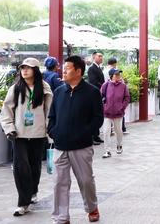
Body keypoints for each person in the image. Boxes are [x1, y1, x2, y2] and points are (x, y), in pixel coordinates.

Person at [48, 55, 104, 224]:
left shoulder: (92, 92)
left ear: (78, 71)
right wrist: (53, 131)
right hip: (60, 145)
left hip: (81, 146)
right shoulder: (59, 92)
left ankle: (92, 207)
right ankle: (61, 217)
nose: (63, 71)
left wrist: (85, 133)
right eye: (63, 68)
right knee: (59, 182)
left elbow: (98, 118)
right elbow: (52, 116)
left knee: (86, 180)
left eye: (67, 68)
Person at [0, 58, 53, 217]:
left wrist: (50, 132)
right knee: (21, 167)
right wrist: (9, 129)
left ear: (35, 70)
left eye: (28, 68)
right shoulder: (16, 88)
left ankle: (33, 191)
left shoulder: (44, 87)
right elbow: (6, 110)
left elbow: (49, 111)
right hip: (19, 134)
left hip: (38, 133)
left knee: (35, 166)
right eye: (22, 68)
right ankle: (23, 203)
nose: (24, 71)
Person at [100, 68, 130, 159]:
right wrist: (104, 107)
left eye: (119, 74)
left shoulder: (123, 86)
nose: (118, 76)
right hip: (107, 113)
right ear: (111, 76)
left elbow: (127, 98)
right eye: (116, 74)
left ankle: (119, 145)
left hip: (118, 113)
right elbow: (100, 96)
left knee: (118, 131)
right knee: (106, 131)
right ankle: (107, 151)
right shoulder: (105, 85)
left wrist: (122, 107)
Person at [86, 51, 105, 145]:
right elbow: (93, 82)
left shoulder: (98, 68)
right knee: (93, 115)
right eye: (99, 56)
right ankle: (92, 137)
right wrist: (103, 87)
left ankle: (96, 136)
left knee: (97, 114)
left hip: (99, 94)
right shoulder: (91, 68)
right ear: (94, 57)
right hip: (94, 94)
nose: (101, 58)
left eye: (102, 56)